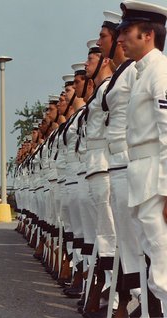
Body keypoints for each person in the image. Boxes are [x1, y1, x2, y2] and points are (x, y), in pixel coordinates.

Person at [117, 1, 167, 316]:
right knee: (155, 264)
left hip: (155, 179)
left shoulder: (160, 72)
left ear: (147, 34)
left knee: (163, 267)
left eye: (126, 32)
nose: (120, 39)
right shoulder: (141, 72)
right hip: (142, 176)